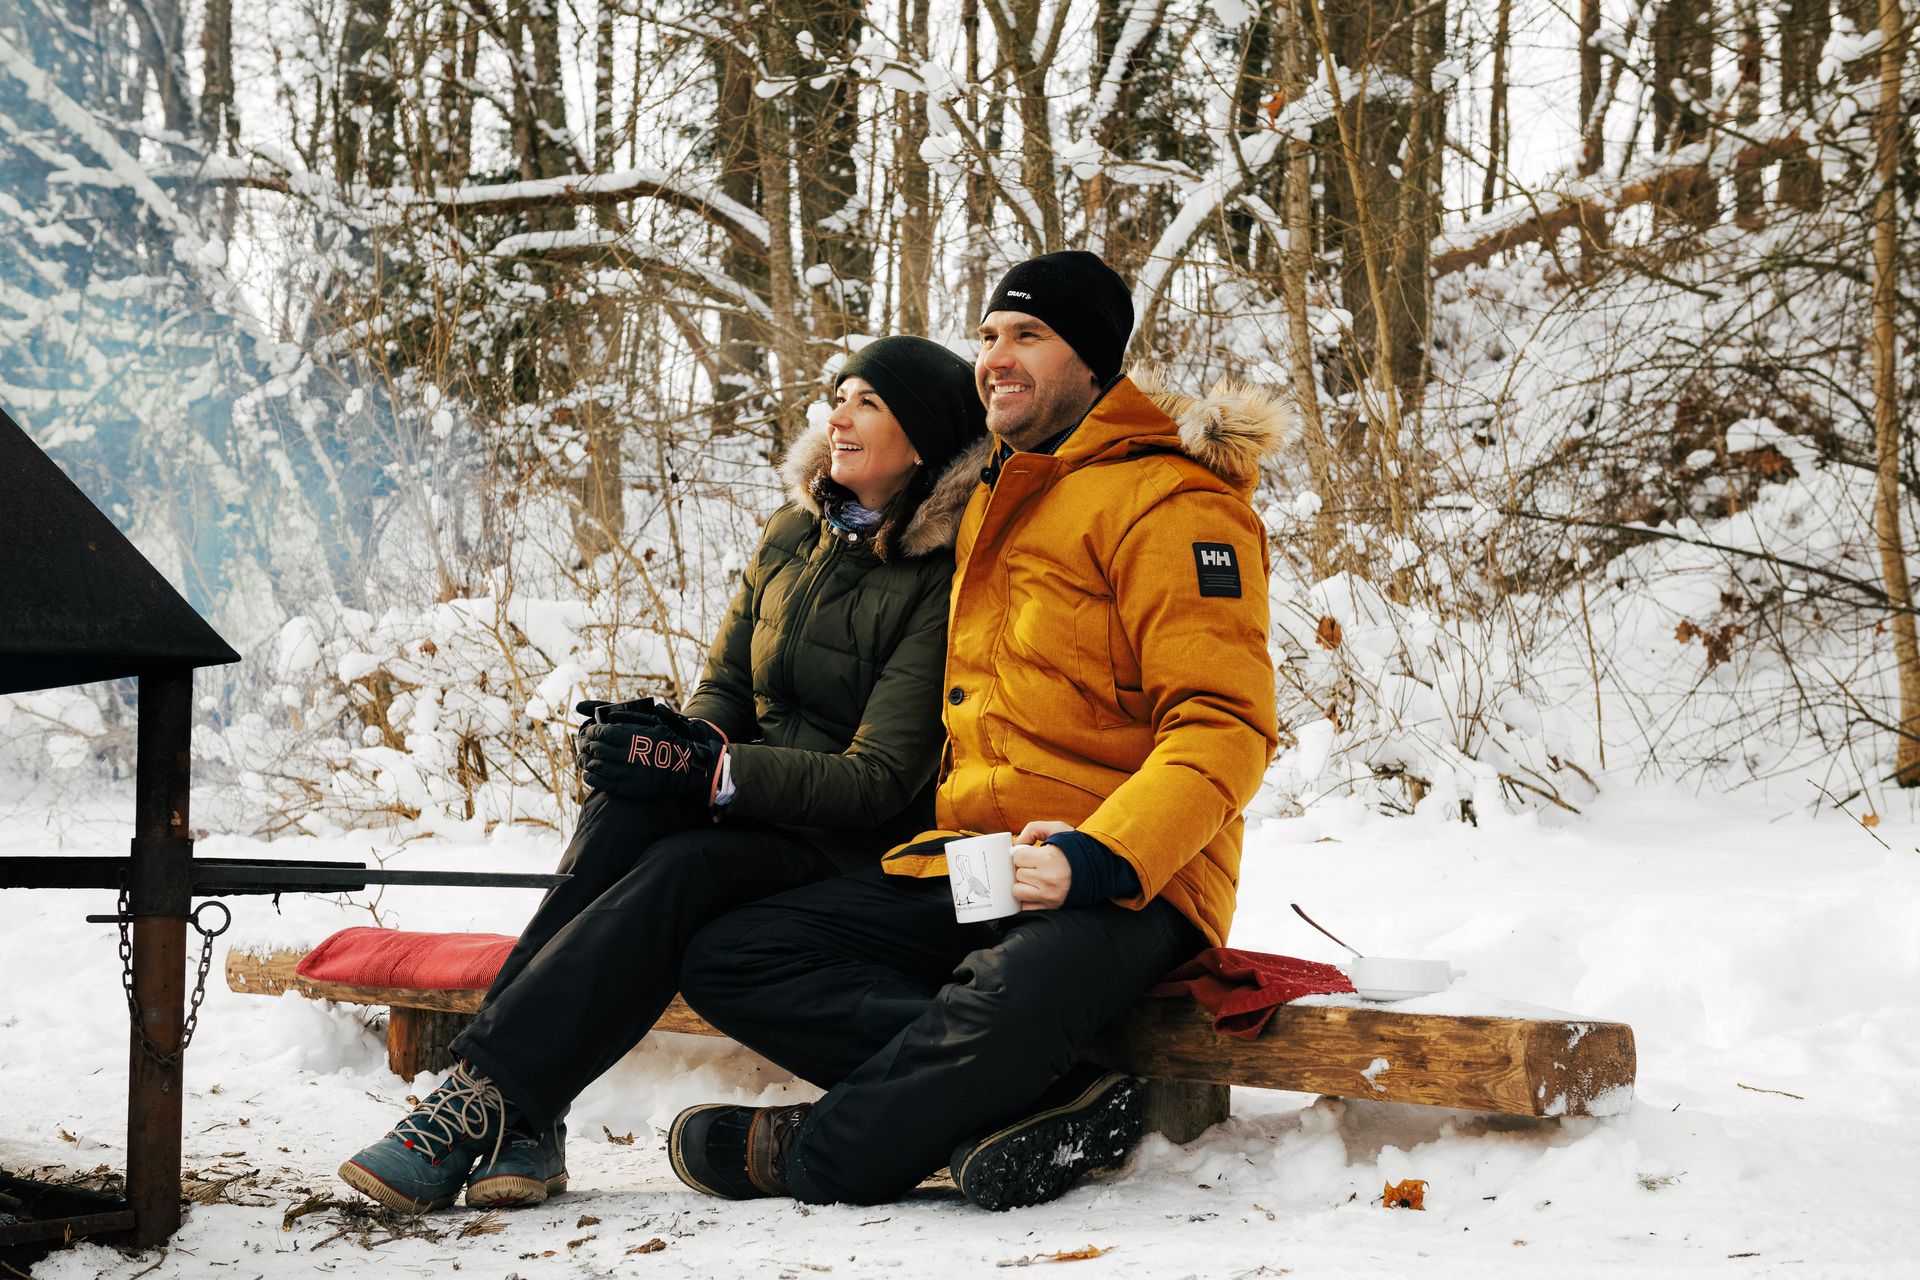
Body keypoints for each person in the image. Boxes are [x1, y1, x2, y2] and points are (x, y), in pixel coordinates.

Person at [667, 250, 1289, 1211]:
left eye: (1028, 335)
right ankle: (1045, 1100)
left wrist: (1098, 856)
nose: (996, 356)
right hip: (979, 854)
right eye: (989, 336)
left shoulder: (1175, 503)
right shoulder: (990, 489)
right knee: (730, 953)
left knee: (1010, 995)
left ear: (1092, 360)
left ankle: (815, 1152)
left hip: (1131, 883)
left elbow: (1225, 724)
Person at [337, 336, 989, 1213]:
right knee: (624, 804)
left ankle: (477, 1100)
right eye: (839, 395)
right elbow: (726, 685)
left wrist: (713, 772)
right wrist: (666, 748)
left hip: (849, 849)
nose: (837, 415)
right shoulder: (795, 533)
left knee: (685, 866)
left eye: (868, 402)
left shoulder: (937, 577)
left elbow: (875, 779)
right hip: (757, 807)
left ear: (922, 440)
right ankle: (522, 1115)